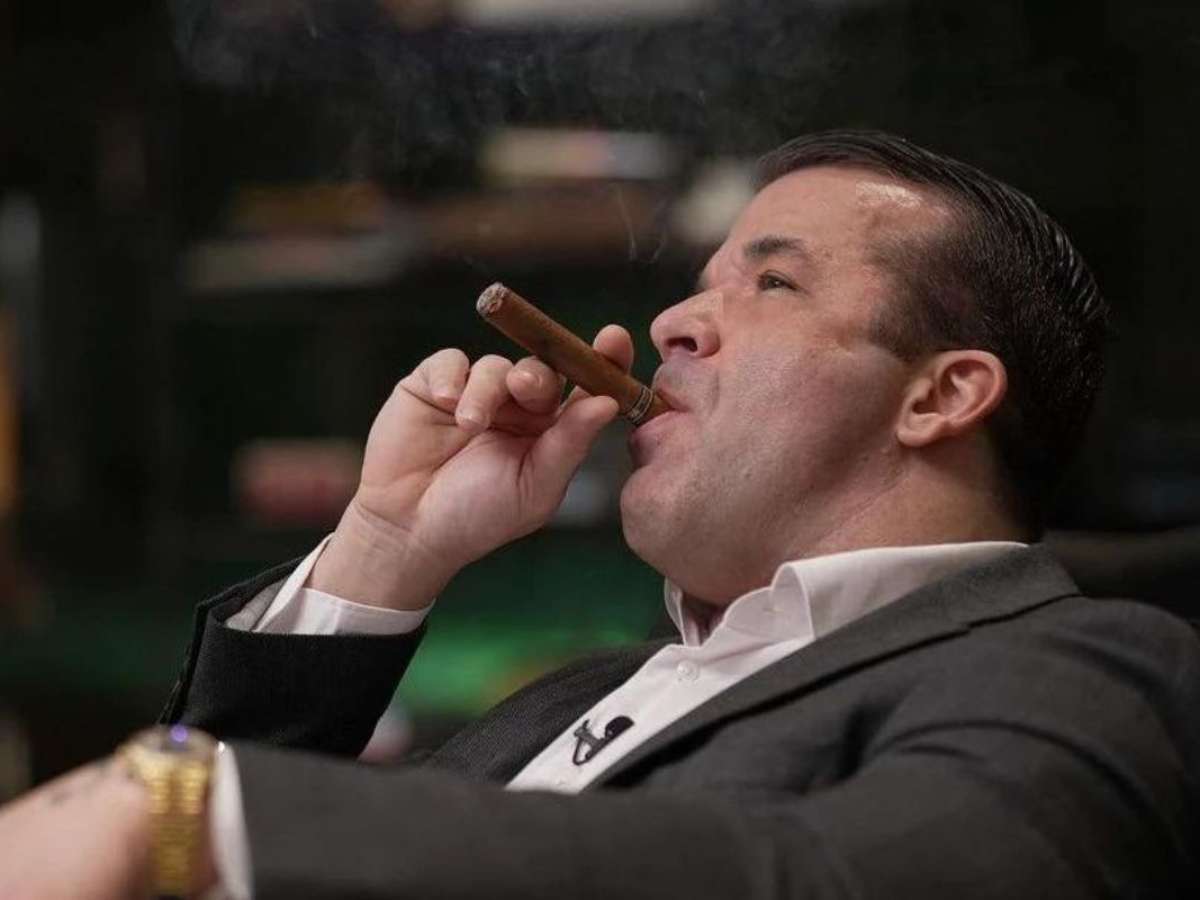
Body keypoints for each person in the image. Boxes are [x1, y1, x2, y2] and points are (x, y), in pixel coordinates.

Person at [2, 130, 1198, 899]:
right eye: (701, 282)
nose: (673, 321)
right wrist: (388, 548)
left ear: (941, 395)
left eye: (774, 282)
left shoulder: (1093, 662)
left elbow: (858, 878)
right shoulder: (578, 695)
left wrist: (197, 816)